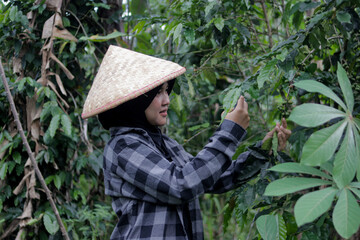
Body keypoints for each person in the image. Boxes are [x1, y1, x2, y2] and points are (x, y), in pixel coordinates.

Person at [82, 45, 291, 240]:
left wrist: (264, 150)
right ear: (135, 101)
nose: (167, 100)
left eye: (166, 90)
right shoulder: (123, 146)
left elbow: (214, 178)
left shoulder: (165, 143)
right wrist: (230, 133)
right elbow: (181, 185)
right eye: (157, 93)